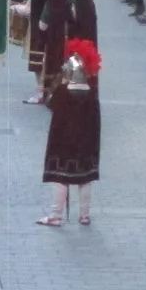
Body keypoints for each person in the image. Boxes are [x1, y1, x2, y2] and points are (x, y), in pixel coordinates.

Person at [40, 39, 101, 228]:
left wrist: (60, 84)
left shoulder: (63, 92)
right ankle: (84, 215)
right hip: (85, 143)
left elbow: (50, 104)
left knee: (61, 178)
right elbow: (96, 123)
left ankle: (55, 215)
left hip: (64, 143)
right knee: (85, 178)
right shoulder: (92, 94)